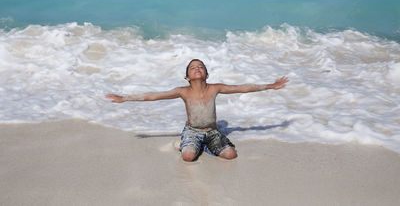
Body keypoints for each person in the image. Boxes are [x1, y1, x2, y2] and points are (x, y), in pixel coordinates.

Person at [106, 59, 288, 162]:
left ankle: (206, 146)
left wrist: (270, 86)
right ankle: (187, 144)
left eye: (200, 66)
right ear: (187, 77)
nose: (197, 68)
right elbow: (154, 96)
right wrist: (125, 98)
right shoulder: (182, 91)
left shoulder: (215, 88)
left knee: (231, 155)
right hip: (192, 131)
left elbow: (242, 87)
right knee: (188, 157)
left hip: (212, 132)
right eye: (193, 68)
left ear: (207, 75)